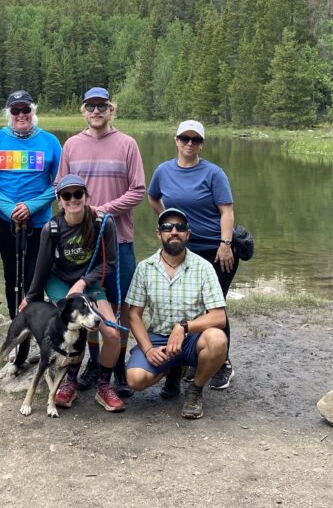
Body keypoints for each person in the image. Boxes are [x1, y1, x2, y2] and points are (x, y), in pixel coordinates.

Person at [56, 86, 145, 398]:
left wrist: (102, 211)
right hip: (83, 244)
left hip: (119, 239)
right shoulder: (71, 146)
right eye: (90, 106)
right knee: (90, 302)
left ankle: (117, 365)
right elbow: (60, 187)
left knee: (119, 305)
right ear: (83, 110)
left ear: (111, 110)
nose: (96, 111)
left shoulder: (128, 145)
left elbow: (138, 190)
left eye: (102, 106)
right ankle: (94, 364)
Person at [21, 174, 124, 412]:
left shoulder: (103, 224)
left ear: (87, 197)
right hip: (59, 283)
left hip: (90, 284)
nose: (73, 199)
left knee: (112, 335)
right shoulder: (52, 228)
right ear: (60, 200)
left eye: (78, 194)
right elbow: (42, 266)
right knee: (74, 327)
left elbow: (109, 265)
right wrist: (30, 297)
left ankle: (103, 385)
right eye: (67, 195)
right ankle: (69, 382)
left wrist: (84, 282)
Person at [146, 119, 236, 392]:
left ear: (201, 144)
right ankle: (187, 360)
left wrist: (225, 243)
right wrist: (169, 226)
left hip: (213, 249)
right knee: (183, 304)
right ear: (176, 140)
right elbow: (153, 197)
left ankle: (222, 363)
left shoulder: (213, 173)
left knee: (213, 307)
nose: (189, 143)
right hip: (180, 247)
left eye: (195, 140)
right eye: (184, 138)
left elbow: (226, 211)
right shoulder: (163, 170)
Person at [124, 208, 228, 420]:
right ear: (158, 233)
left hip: (192, 339)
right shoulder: (145, 268)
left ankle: (195, 390)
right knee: (135, 379)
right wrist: (148, 349)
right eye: (167, 227)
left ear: (187, 234)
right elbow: (133, 314)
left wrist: (184, 327)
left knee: (217, 340)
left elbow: (219, 317)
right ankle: (172, 368)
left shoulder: (204, 267)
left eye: (180, 228)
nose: (174, 231)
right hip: (158, 337)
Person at [0, 91, 62, 319]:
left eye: (26, 109)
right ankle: (15, 323)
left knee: (34, 276)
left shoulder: (51, 142)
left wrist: (31, 206)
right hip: (5, 220)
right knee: (12, 274)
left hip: (39, 222)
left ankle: (36, 324)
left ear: (33, 111)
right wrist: (11, 209)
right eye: (15, 110)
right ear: (8, 113)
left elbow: (59, 183)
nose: (21, 115)